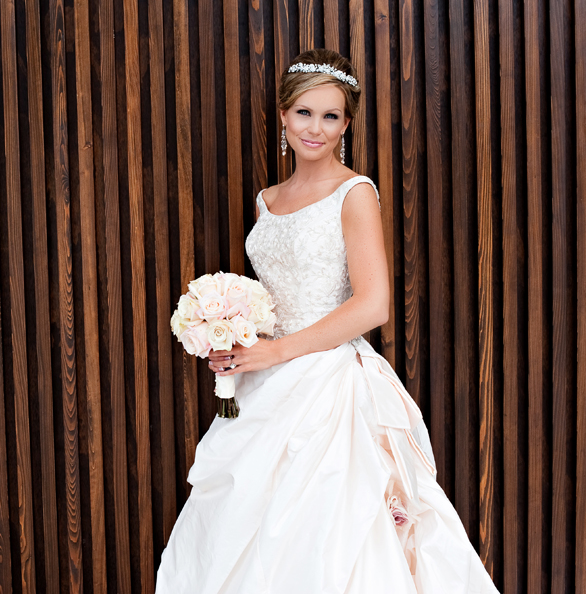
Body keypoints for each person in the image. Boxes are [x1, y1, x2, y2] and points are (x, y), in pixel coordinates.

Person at [155, 49, 499, 593]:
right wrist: (235, 337)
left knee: (332, 529)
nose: (315, 128)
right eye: (304, 113)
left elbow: (373, 304)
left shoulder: (354, 193)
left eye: (331, 116)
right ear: (284, 116)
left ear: (346, 124)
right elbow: (275, 299)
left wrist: (276, 350)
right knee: (249, 525)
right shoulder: (267, 200)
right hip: (264, 383)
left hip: (330, 383)